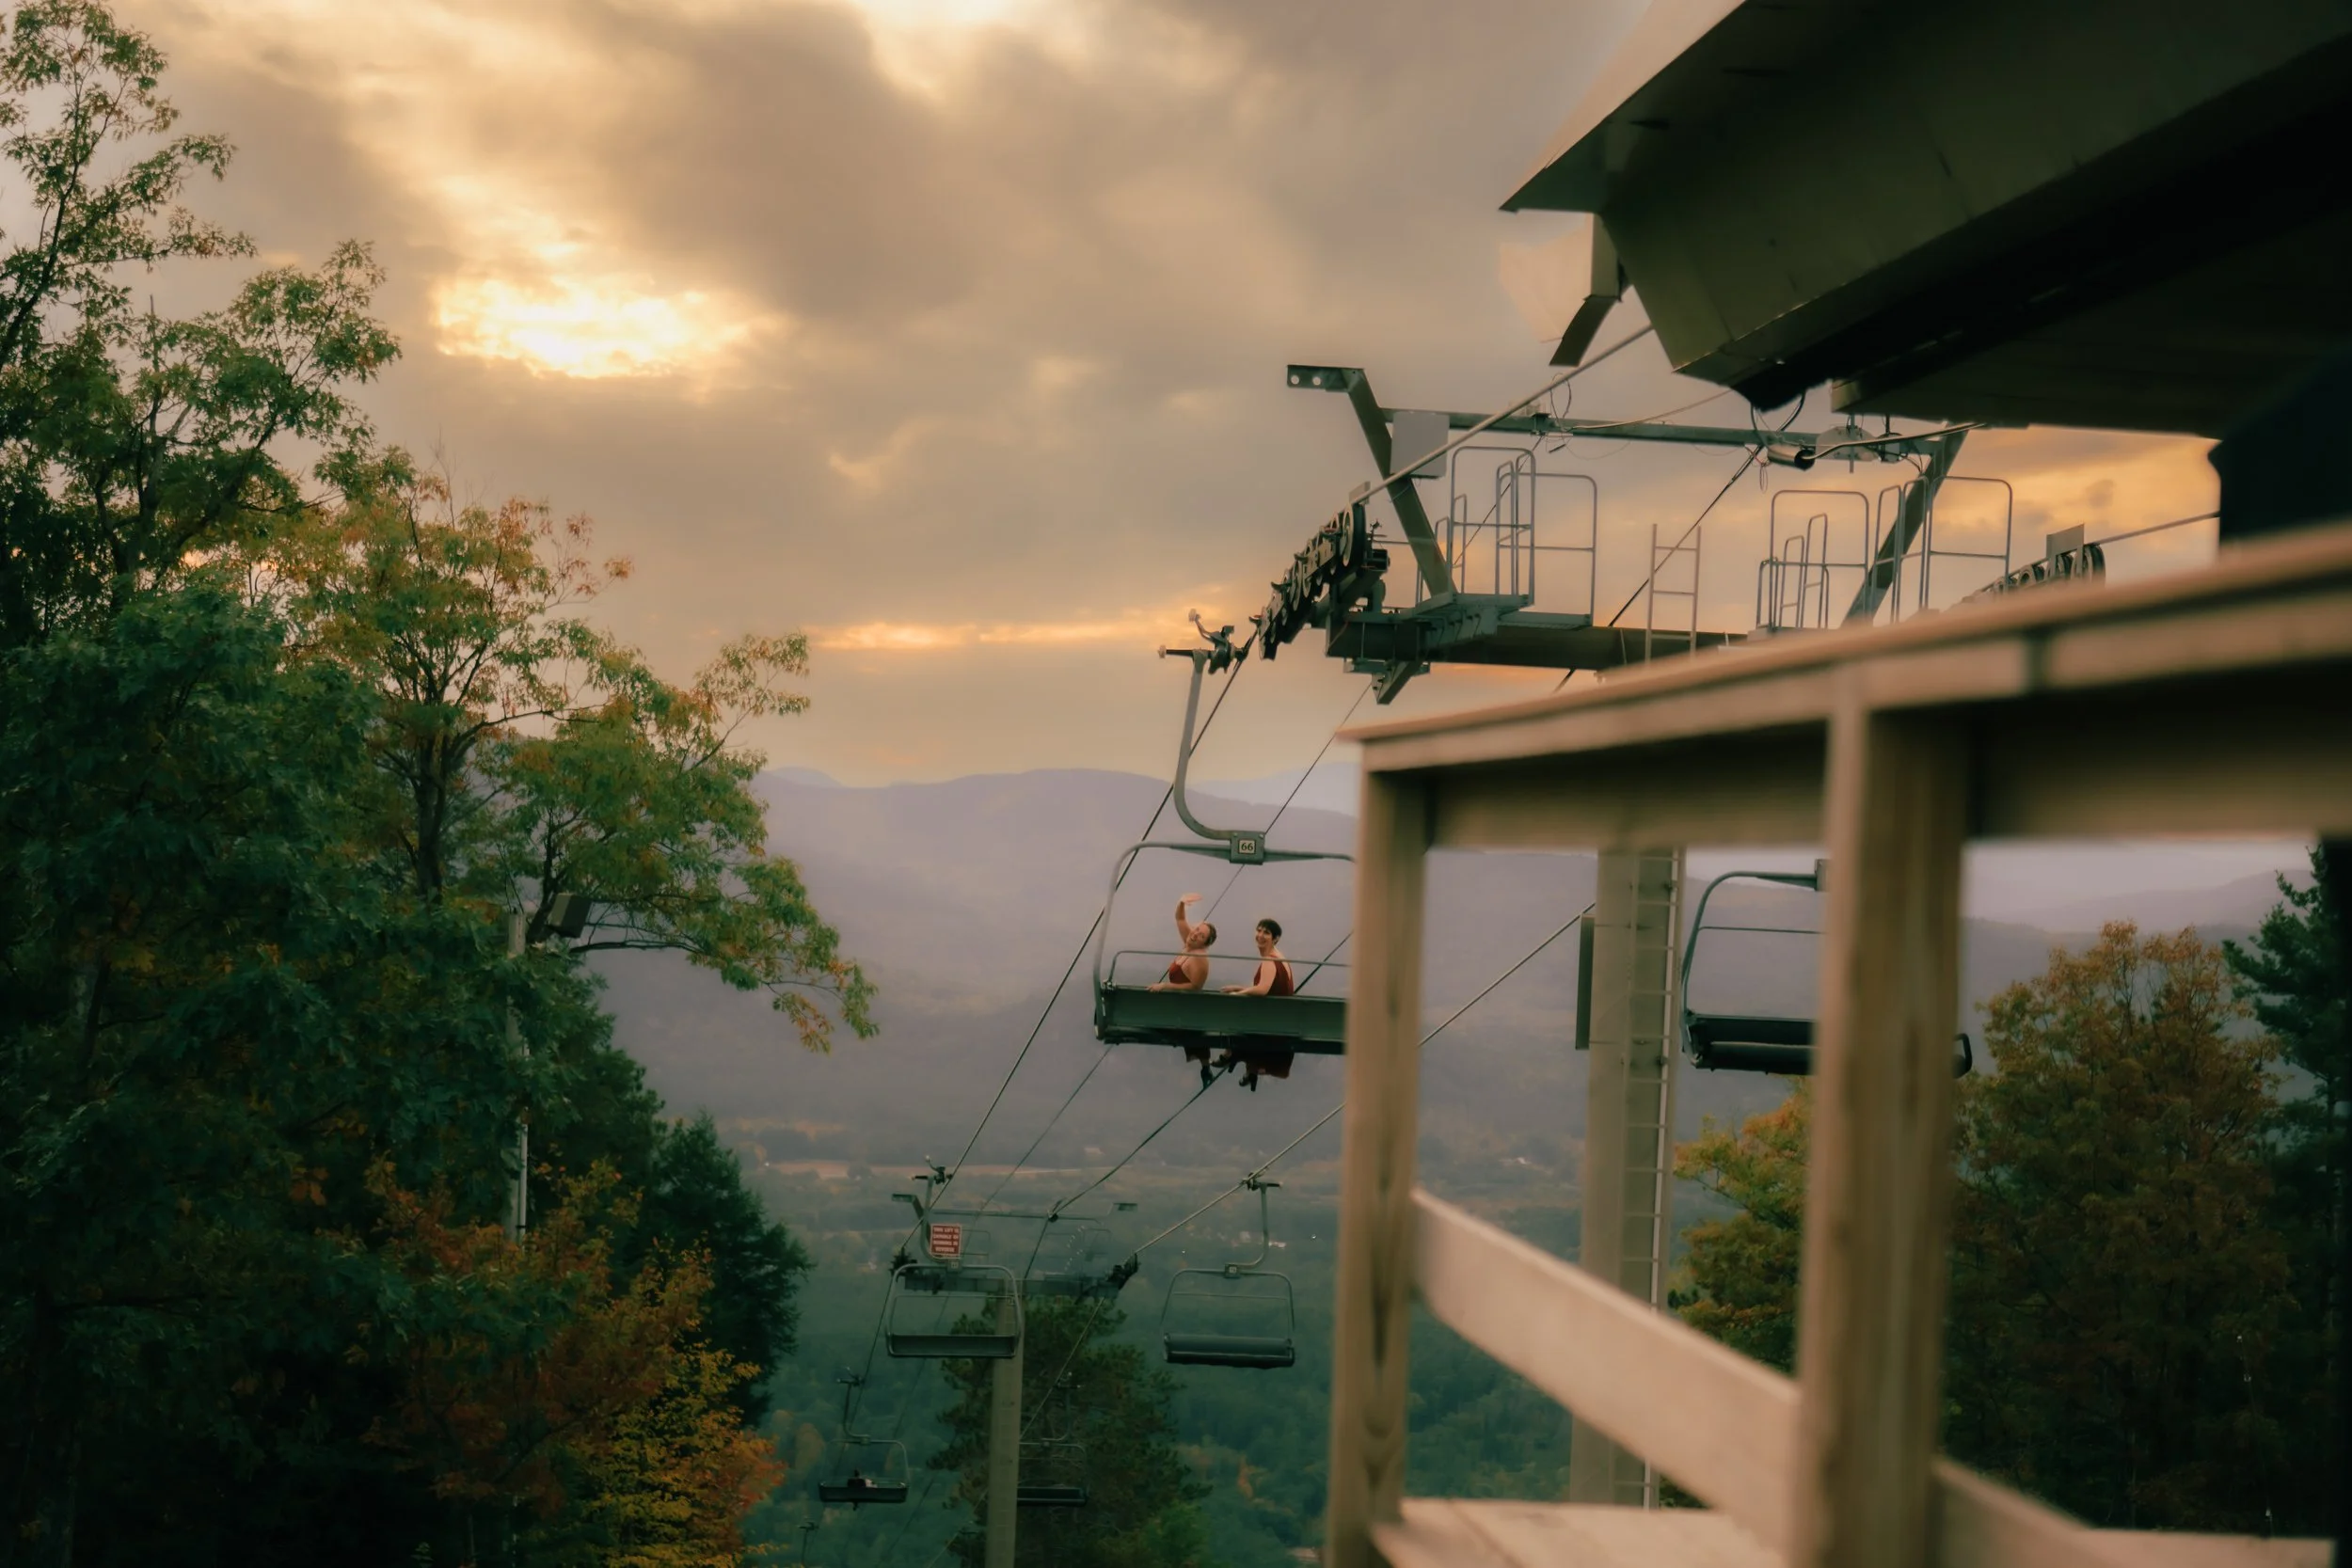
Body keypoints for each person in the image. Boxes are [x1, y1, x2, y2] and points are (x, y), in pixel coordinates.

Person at [1217, 917, 1298, 1090]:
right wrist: (1240, 988)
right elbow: (1270, 988)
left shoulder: (1270, 960)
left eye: (1266, 933)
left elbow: (1262, 990)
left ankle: (1231, 1055)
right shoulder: (1279, 958)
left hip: (1271, 1023)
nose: (1260, 935)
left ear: (1275, 938)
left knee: (1234, 1017)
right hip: (1280, 1019)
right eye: (1259, 930)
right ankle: (1248, 1067)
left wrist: (1239, 993)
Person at [1149, 894, 1220, 1085]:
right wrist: (1181, 902)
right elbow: (1180, 919)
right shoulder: (1189, 943)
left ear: (1205, 943)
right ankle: (1205, 1069)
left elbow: (1195, 986)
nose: (1195, 933)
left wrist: (1165, 986)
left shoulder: (1199, 958)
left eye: (1201, 935)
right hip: (1178, 1003)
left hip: (1185, 1006)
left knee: (1192, 1035)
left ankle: (1206, 1068)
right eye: (1197, 929)